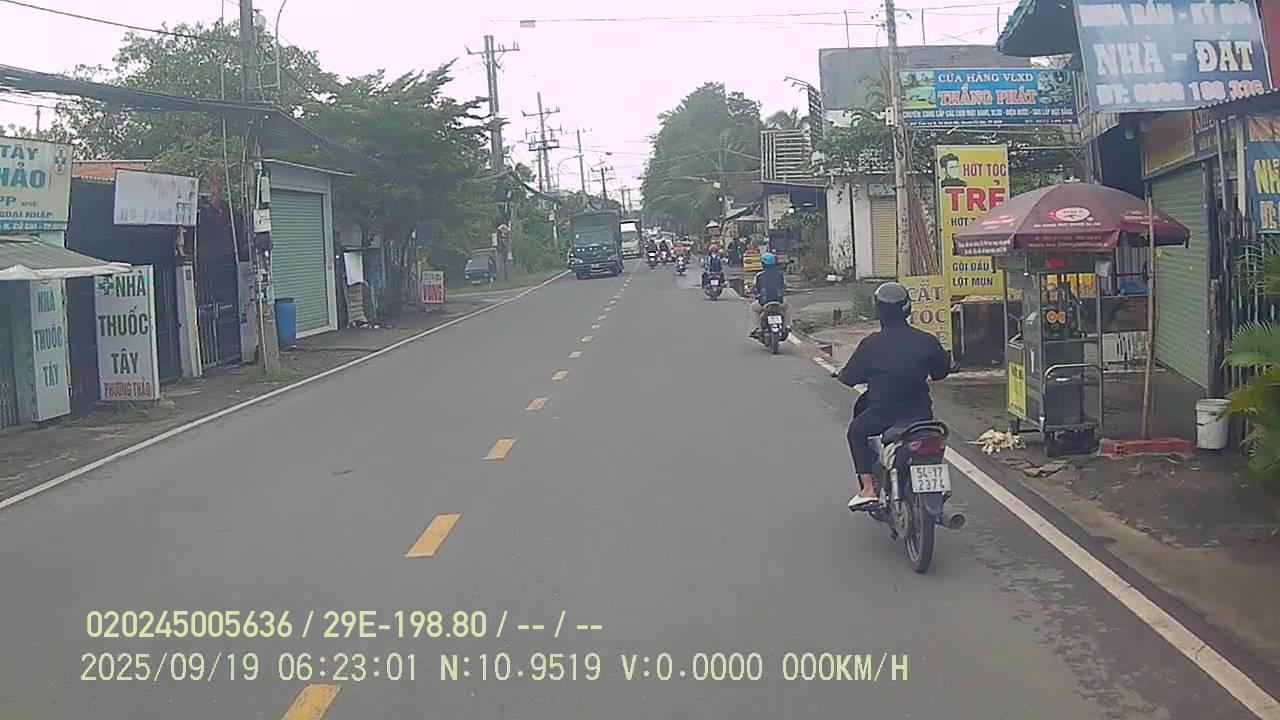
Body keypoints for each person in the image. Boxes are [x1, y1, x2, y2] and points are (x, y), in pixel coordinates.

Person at [835, 282, 951, 510]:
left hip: (883, 414)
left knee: (856, 432)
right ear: (908, 308)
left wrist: (843, 373)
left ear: (878, 310)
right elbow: (940, 373)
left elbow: (848, 378)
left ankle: (868, 489)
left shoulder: (870, 345)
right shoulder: (927, 340)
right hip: (920, 414)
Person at [750, 252, 789, 337]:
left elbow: (754, 287)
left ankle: (757, 328)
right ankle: (786, 326)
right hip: (779, 301)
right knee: (786, 307)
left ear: (763, 264)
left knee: (753, 308)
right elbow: (785, 286)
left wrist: (752, 293)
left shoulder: (759, 275)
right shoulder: (780, 274)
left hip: (764, 302)